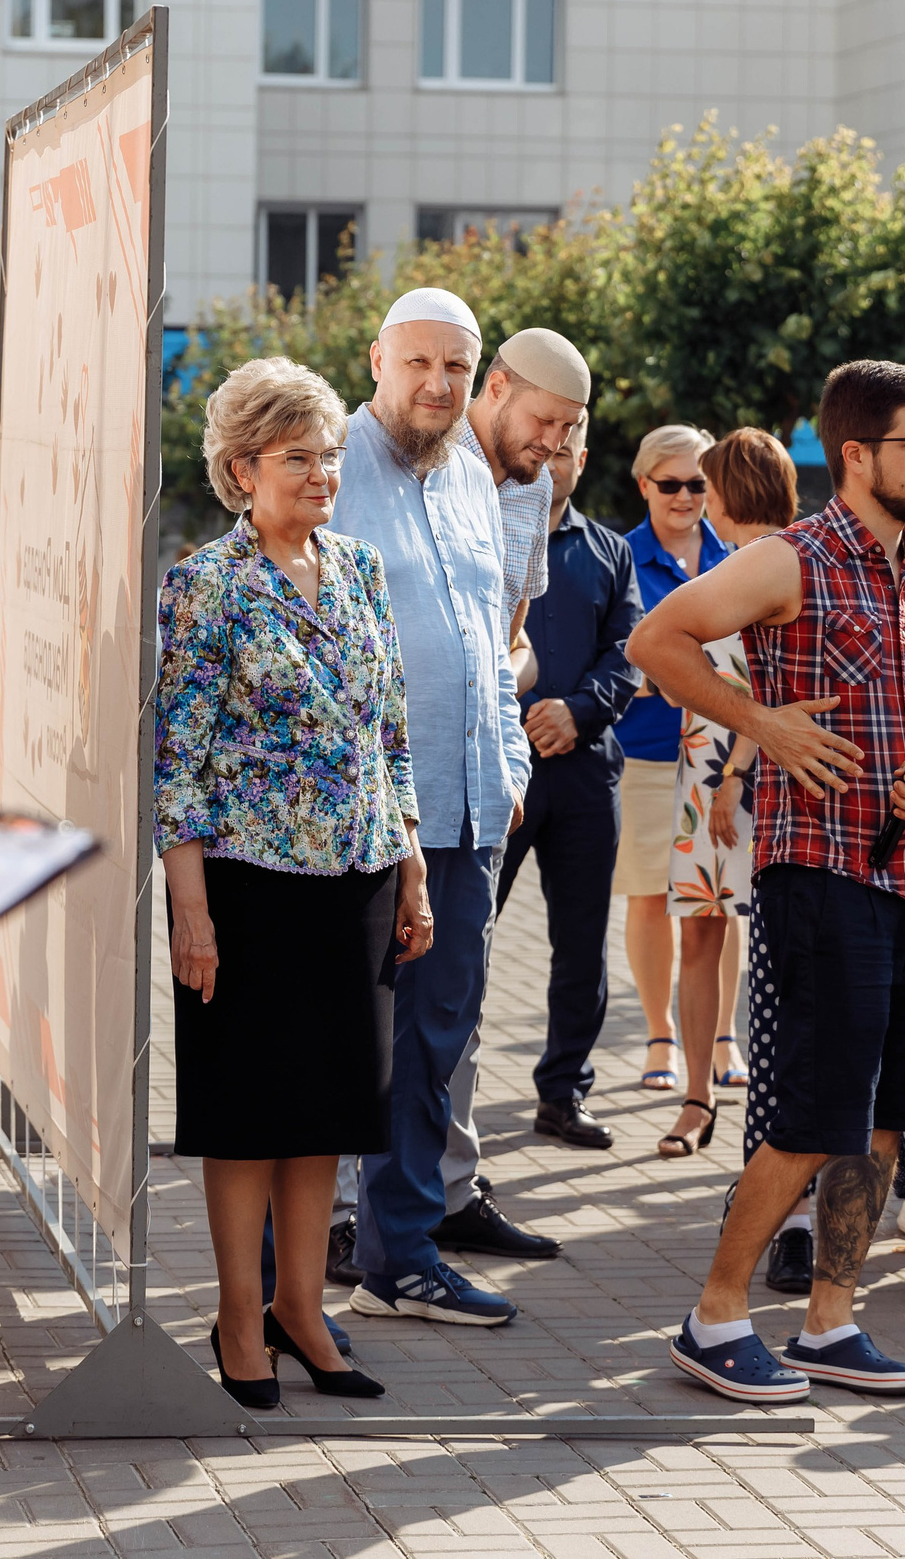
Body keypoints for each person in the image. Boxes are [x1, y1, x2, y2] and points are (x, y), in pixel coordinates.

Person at [635, 360, 905, 1403]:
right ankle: (713, 1317)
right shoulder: (792, 560)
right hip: (819, 875)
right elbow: (657, 638)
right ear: (854, 455)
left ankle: (829, 1322)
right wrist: (762, 725)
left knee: (888, 1116)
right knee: (814, 1115)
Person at [154, 356, 421, 1410]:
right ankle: (236, 1315)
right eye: (298, 457)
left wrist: (412, 875)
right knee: (249, 1114)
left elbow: (389, 734)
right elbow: (176, 762)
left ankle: (303, 1310)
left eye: (330, 455)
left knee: (324, 1111)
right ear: (240, 468)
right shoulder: (206, 584)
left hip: (352, 876)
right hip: (246, 887)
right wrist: (190, 911)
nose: (321, 474)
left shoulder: (357, 569)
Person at [327, 287, 534, 1328]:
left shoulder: (469, 476)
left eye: (455, 367)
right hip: (364, 814)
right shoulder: (328, 465)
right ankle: (296, 1250)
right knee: (342, 1041)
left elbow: (490, 635)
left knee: (435, 1036)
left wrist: (508, 765)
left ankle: (399, 1251)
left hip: (467, 810)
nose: (436, 385)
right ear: (377, 360)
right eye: (417, 363)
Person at [433, 327, 592, 1259]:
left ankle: (454, 1190)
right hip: (401, 782)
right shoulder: (428, 466)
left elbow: (514, 633)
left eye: (570, 430)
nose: (555, 446)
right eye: (544, 422)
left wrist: (507, 742)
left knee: (463, 997)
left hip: (484, 780)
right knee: (385, 1007)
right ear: (493, 388)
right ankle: (344, 1214)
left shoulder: (532, 490)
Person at [493, 400, 641, 1157]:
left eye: (567, 453)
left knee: (581, 942)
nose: (552, 464)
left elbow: (632, 648)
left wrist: (578, 711)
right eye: (543, 451)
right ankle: (443, 1089)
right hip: (500, 771)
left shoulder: (610, 551)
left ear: (580, 461)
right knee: (466, 934)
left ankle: (563, 1092)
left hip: (583, 773)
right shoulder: (483, 535)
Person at [658, 428, 793, 1159]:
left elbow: (769, 686)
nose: (699, 500)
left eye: (706, 485)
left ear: (729, 489)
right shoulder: (748, 561)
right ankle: (706, 1092)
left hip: (733, 774)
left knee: (712, 937)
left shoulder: (764, 565)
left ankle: (705, 1100)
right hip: (707, 768)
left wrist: (732, 773)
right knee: (712, 933)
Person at [616, 423, 732, 1095]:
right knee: (651, 899)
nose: (685, 496)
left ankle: (721, 1036)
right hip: (650, 752)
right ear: (644, 485)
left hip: (725, 759)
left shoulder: (737, 554)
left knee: (720, 903)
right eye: (671, 483)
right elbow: (617, 657)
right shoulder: (623, 557)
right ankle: (660, 1033)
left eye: (698, 483)